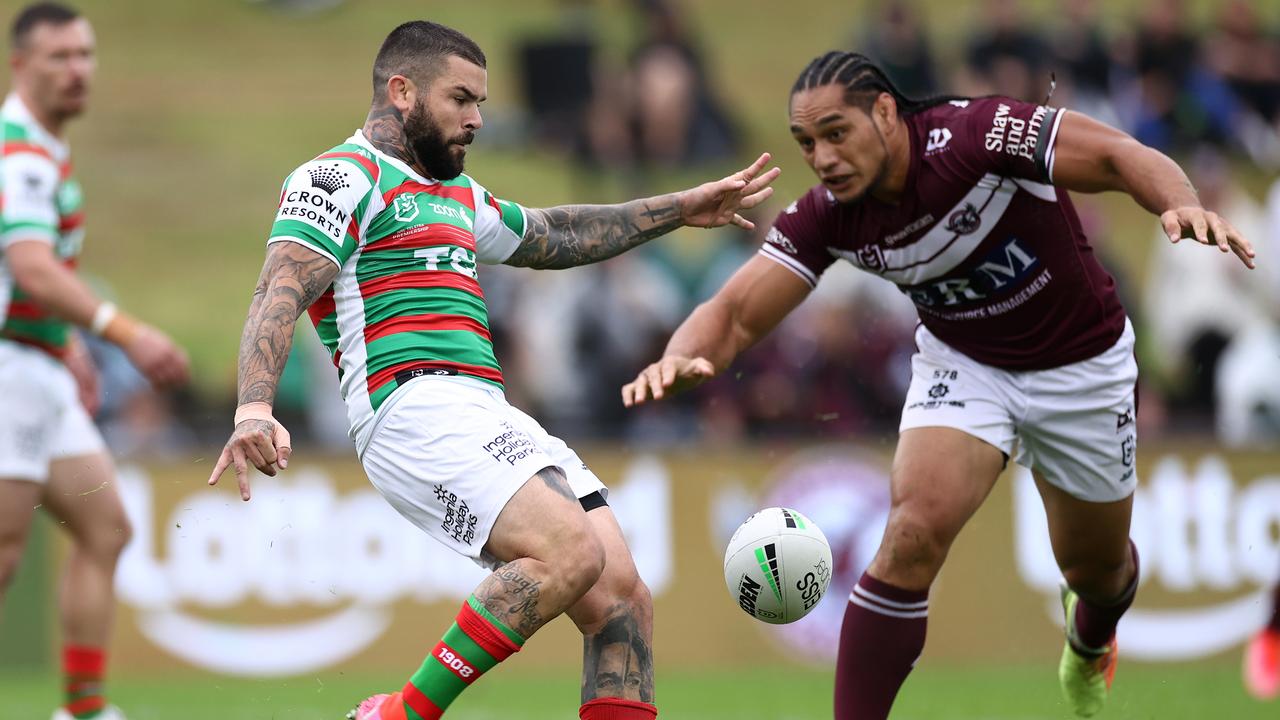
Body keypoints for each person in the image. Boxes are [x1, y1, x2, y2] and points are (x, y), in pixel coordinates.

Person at [622, 51, 1255, 719]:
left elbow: (1116, 156)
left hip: (1082, 367)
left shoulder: (976, 135)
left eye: (838, 132)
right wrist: (680, 355)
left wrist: (1180, 203)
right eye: (807, 143)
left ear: (886, 112)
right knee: (910, 535)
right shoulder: (830, 215)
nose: (824, 157)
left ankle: (1091, 636)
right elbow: (734, 312)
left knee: (1098, 573)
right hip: (965, 365)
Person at [205, 20, 777, 720]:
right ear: (402, 91)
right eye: (461, 99)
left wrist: (679, 209)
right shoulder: (340, 177)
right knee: (568, 552)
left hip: (486, 409)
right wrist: (253, 408)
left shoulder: (459, 195)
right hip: (410, 405)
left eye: (480, 101)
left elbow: (554, 234)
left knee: (622, 599)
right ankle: (401, 714)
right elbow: (279, 289)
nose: (477, 118)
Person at [0, 4, 190, 720]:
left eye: (85, 54)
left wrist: (66, 340)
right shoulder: (19, 151)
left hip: (36, 362)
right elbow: (32, 267)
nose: (77, 69)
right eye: (59, 57)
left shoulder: (41, 147)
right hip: (10, 373)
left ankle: (83, 711)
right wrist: (123, 331)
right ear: (20, 64)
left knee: (105, 527)